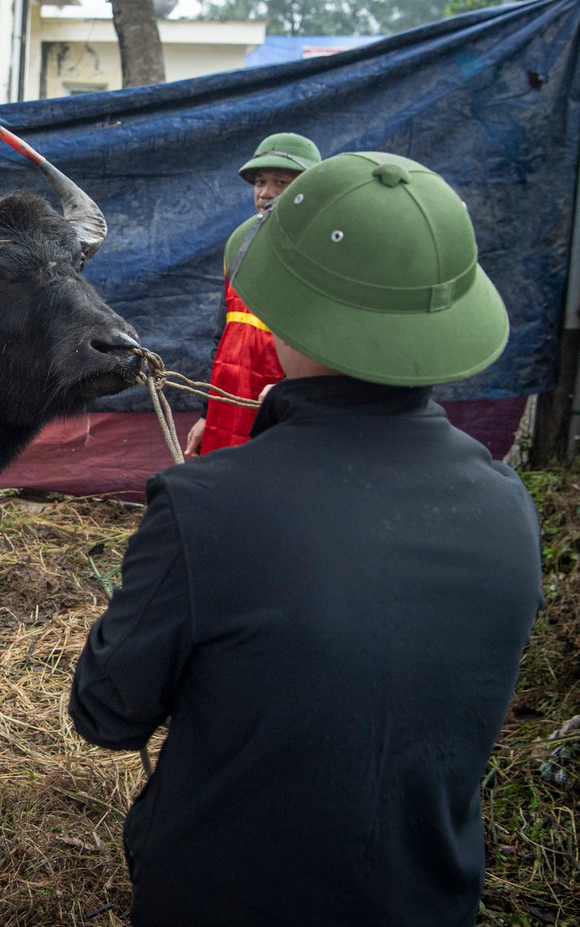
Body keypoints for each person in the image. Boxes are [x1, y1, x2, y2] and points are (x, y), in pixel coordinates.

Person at [68, 152, 543, 926]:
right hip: (428, 901)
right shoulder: (510, 507)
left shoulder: (206, 506)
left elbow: (105, 712)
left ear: (287, 307)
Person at [183, 132, 321, 457]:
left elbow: (324, 343)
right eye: (259, 181)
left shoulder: (321, 254)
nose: (265, 192)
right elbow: (223, 335)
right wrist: (207, 413)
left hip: (280, 401)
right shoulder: (240, 246)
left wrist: (291, 390)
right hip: (227, 400)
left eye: (281, 182)